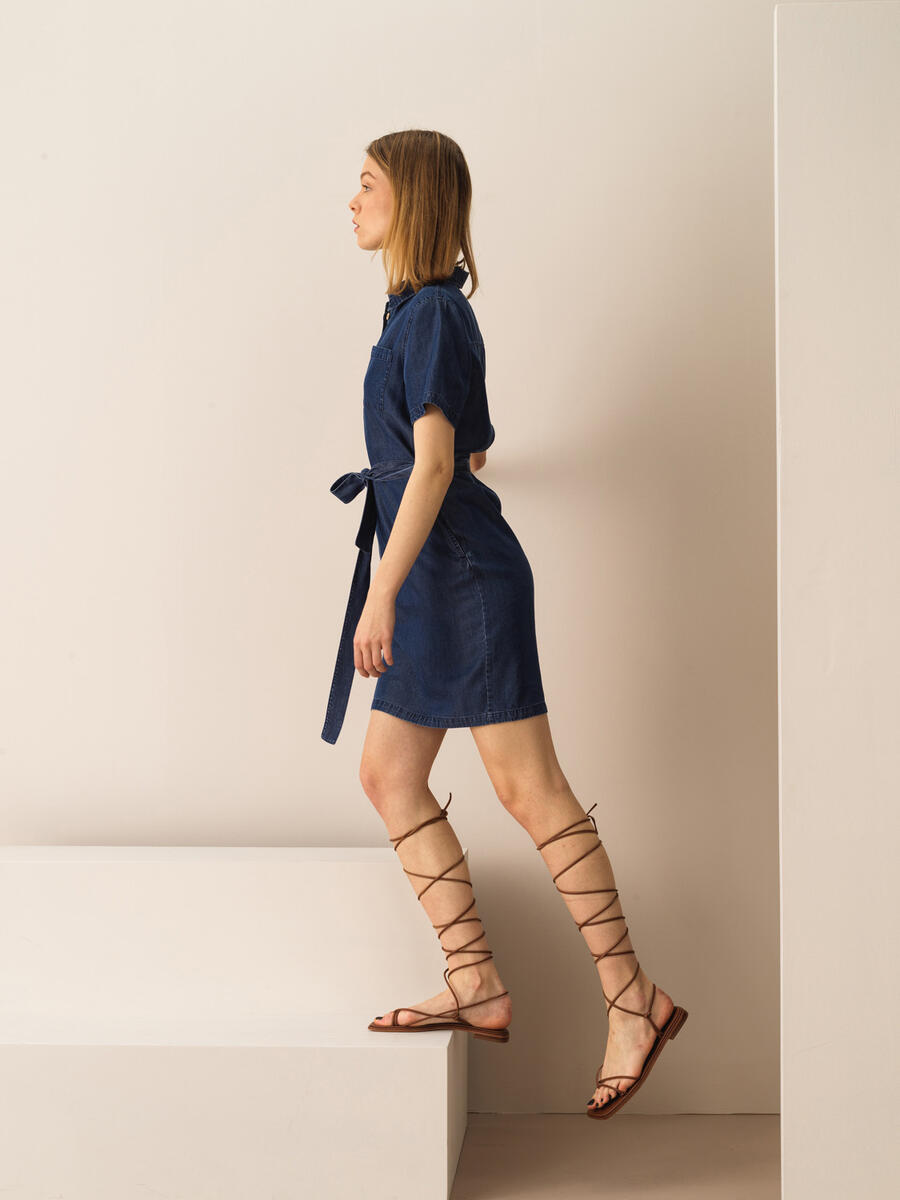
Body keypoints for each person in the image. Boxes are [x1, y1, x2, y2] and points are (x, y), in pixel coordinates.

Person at [323, 129, 687, 1119]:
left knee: (530, 791)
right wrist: (403, 538)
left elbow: (443, 465)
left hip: (461, 580)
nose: (351, 200)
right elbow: (465, 455)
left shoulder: (435, 313)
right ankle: (475, 979)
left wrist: (383, 590)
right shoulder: (414, 313)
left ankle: (633, 999)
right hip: (434, 570)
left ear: (412, 199)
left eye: (367, 183)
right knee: (388, 776)